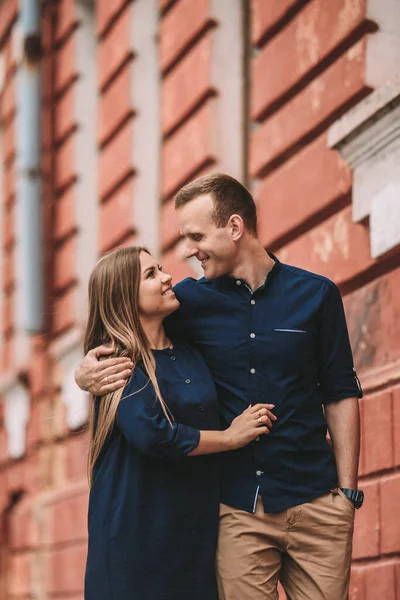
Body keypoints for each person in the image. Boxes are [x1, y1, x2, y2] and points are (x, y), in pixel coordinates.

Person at [77, 174, 364, 600]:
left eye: (195, 236)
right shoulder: (186, 302)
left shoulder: (317, 295)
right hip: (237, 509)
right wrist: (84, 374)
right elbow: (125, 322)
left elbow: (340, 391)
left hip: (316, 500)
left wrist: (347, 492)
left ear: (234, 227)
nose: (186, 253)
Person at [83, 245, 276, 600]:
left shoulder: (188, 350)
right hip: (136, 545)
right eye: (151, 274)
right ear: (124, 295)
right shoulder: (119, 363)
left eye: (160, 268)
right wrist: (230, 438)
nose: (167, 276)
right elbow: (154, 435)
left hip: (193, 538)